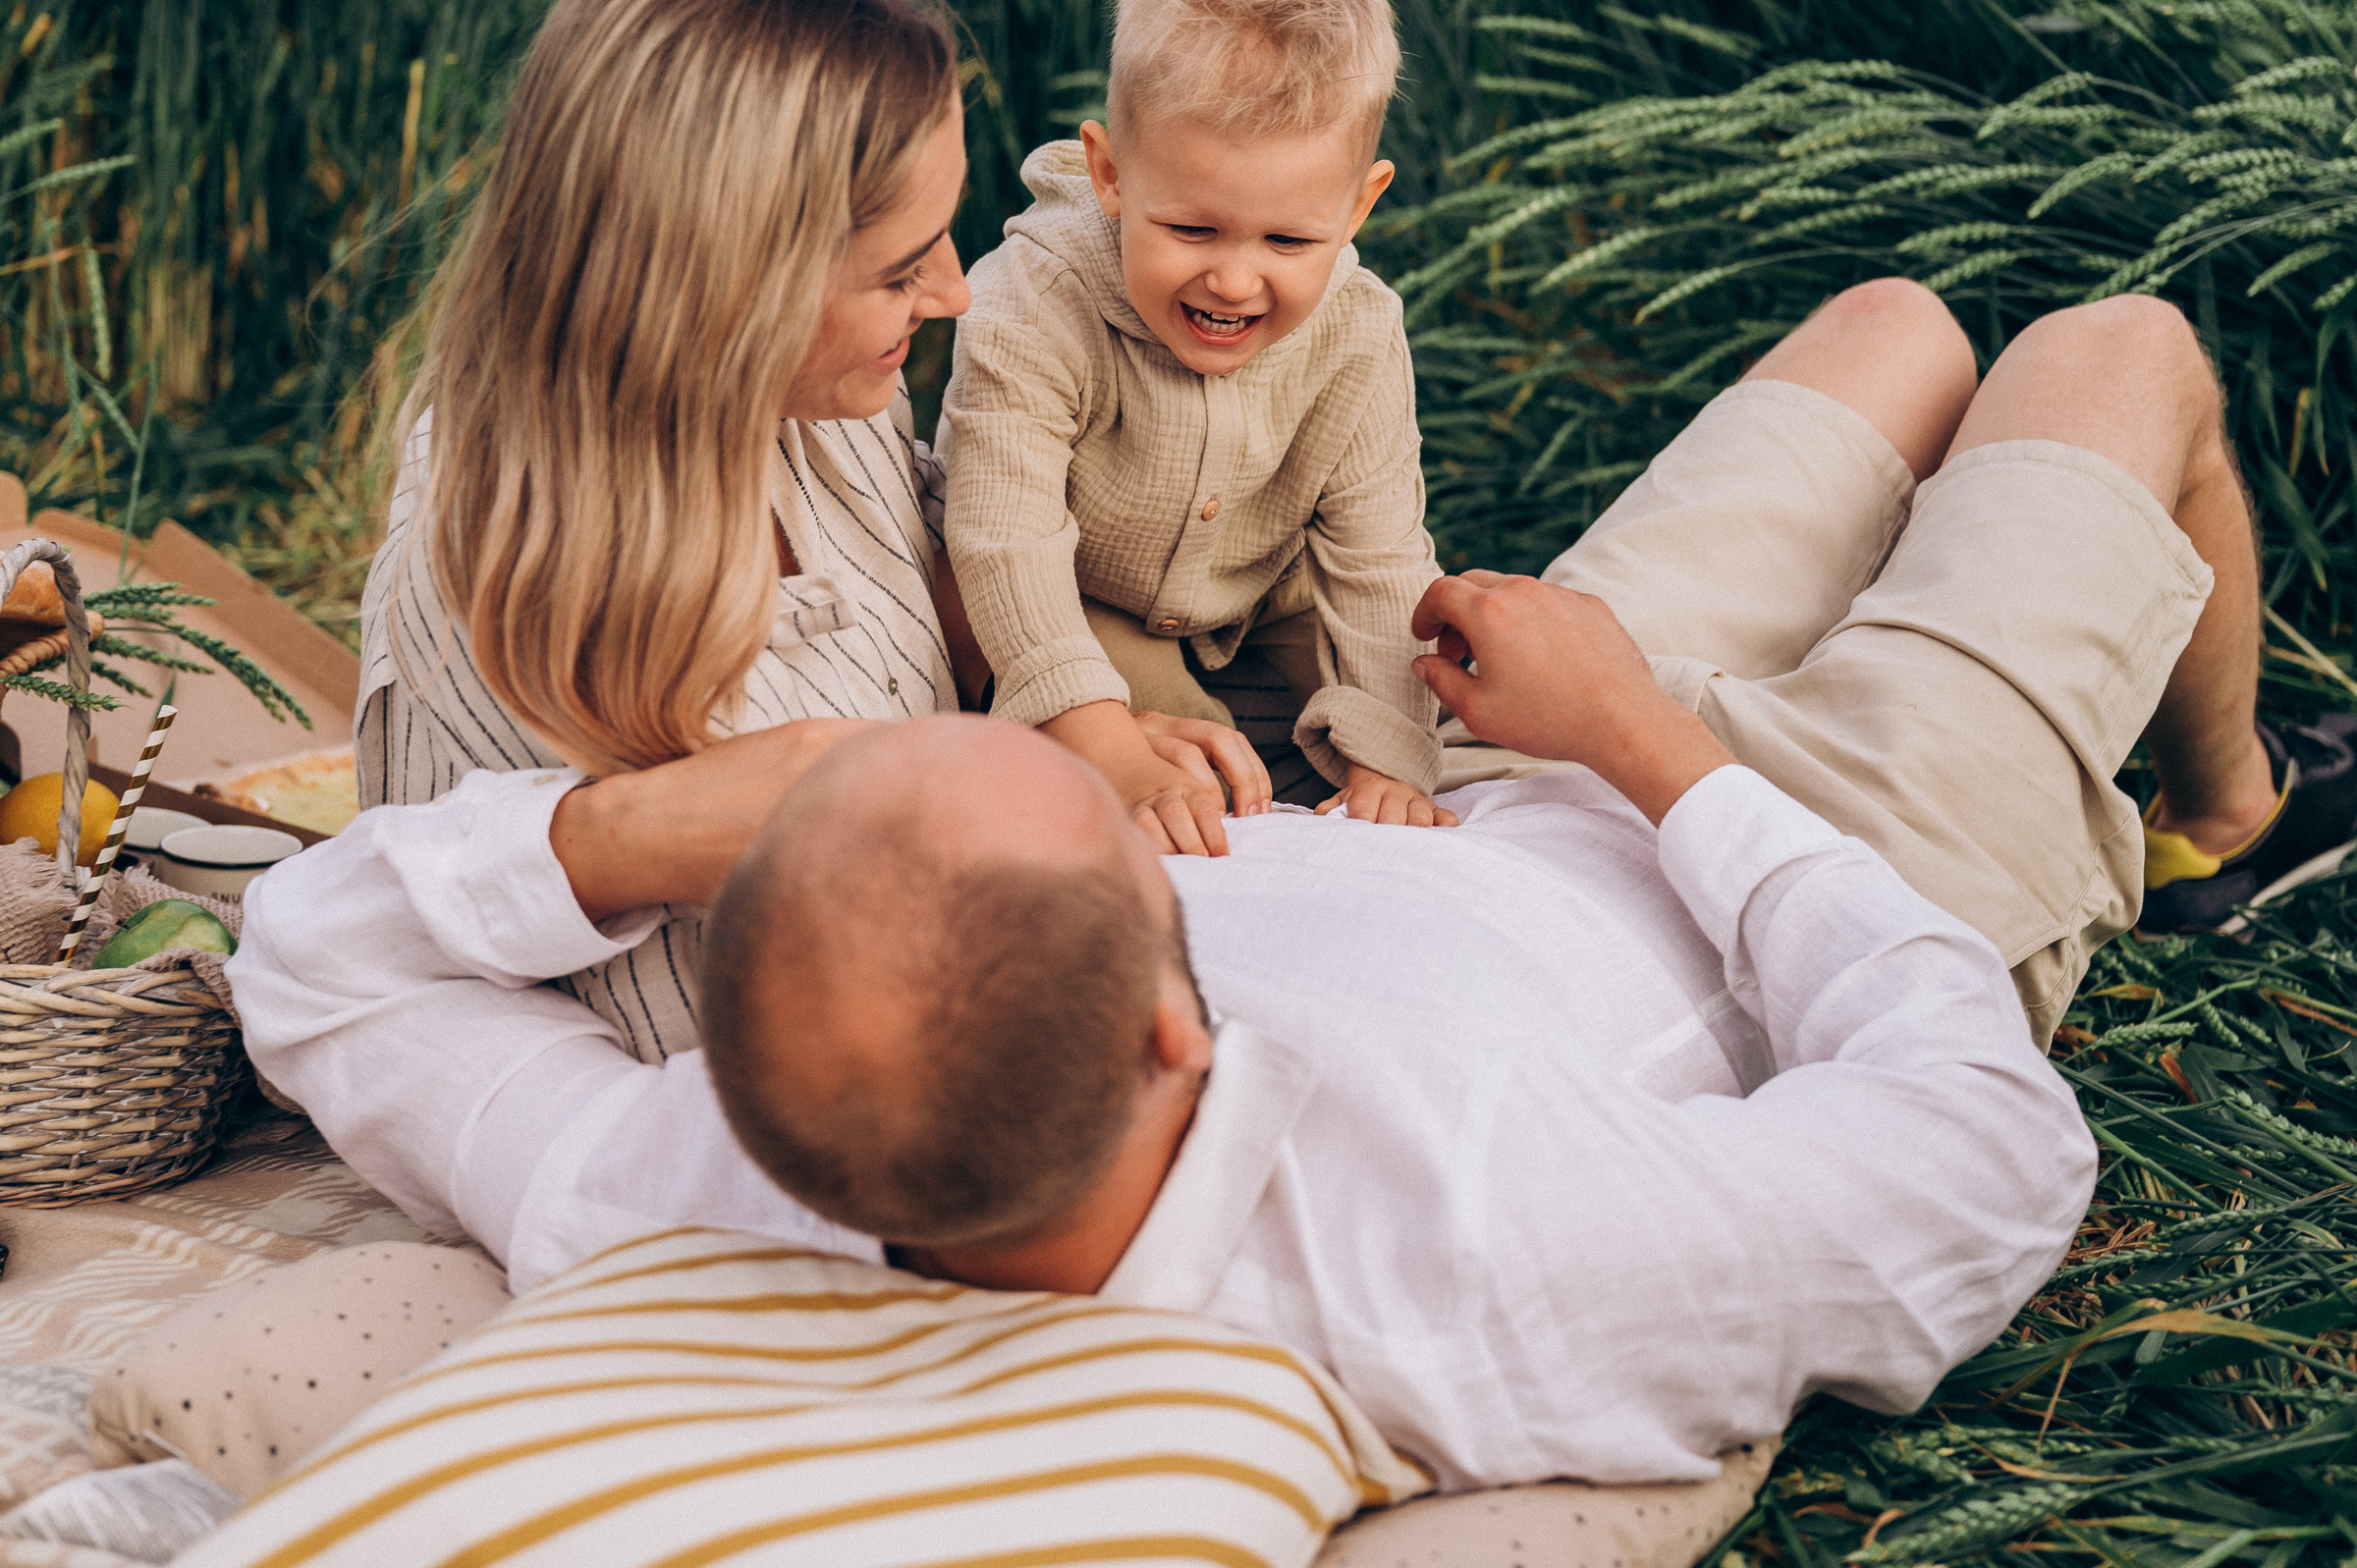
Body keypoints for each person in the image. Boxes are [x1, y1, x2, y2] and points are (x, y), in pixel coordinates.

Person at [237, 279, 2306, 1489]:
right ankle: (2237, 812)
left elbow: (315, 964)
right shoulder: (1486, 1259)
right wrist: (1661, 756)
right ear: (1172, 1015)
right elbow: (1985, 1152)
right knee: (2117, 350)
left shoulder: (698, 1171)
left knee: (1901, 328)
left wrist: (627, 827)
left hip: (1476, 766)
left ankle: (2184, 734)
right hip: (1843, 848)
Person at [350, 0, 1257, 1064]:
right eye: (898, 270)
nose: (956, 294)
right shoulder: (494, 602)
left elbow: (935, 600)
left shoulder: (820, 413)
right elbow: (431, 989)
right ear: (722, 284)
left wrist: (1067, 729)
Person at [939, 0, 1448, 856]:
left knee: (1380, 698)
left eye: (1288, 240)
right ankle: (1205, 794)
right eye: (1190, 229)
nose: (1235, 280)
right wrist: (1107, 745)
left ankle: (1333, 779)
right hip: (1081, 594)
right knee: (1188, 769)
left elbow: (1378, 559)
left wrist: (1392, 760)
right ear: (1110, 172)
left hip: (1261, 595)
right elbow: (1006, 539)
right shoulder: (1032, 301)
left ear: (1359, 208)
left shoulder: (1358, 332)